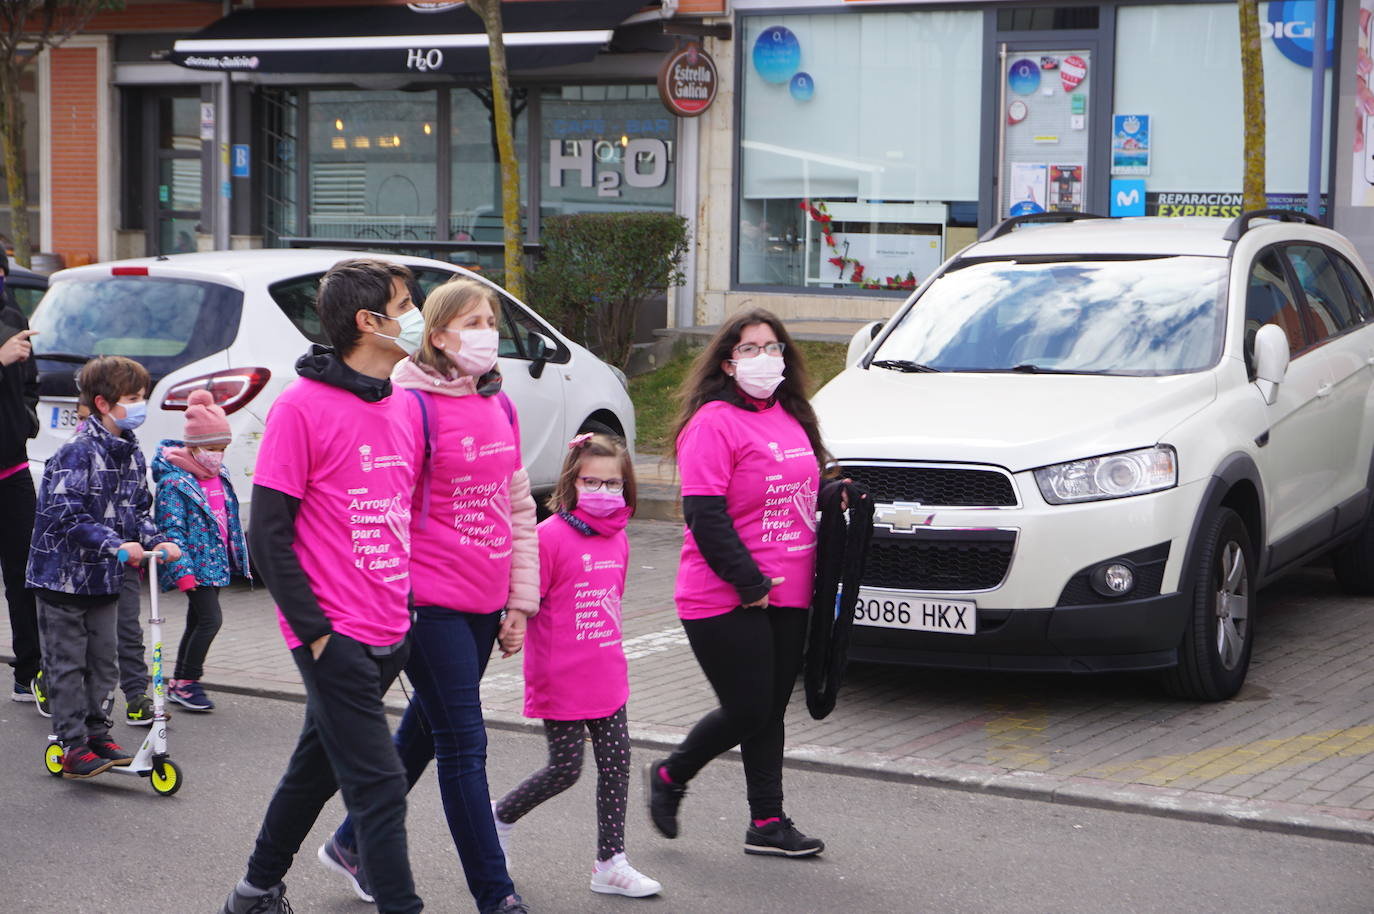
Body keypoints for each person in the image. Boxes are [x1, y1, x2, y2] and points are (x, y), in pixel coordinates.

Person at [319, 278, 536, 914]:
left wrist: (520, 600)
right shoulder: (407, 406)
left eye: (491, 320)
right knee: (465, 745)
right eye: (472, 322)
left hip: (486, 598)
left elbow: (517, 506)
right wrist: (387, 598)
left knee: (430, 726)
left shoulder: (500, 403)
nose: (486, 333)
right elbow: (380, 509)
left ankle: (351, 841)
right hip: (428, 602)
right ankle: (496, 896)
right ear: (437, 335)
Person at [221, 258, 424, 914]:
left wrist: (410, 608)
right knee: (381, 787)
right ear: (370, 322)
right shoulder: (300, 409)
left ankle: (253, 892)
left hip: (392, 629)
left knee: (316, 770)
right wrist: (316, 636)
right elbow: (268, 537)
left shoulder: (403, 404)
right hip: (334, 637)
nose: (417, 314)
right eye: (406, 302)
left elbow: (396, 518)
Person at [645, 308, 831, 858]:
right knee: (748, 706)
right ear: (727, 362)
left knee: (770, 710)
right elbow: (705, 516)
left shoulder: (794, 416)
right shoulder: (713, 422)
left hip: (792, 590)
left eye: (772, 347)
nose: (763, 358)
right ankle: (670, 775)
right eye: (749, 349)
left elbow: (800, 491)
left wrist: (839, 494)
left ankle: (767, 822)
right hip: (725, 594)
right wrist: (749, 583)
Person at [493, 433, 662, 899]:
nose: (604, 491)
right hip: (561, 675)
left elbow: (613, 599)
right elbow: (527, 599)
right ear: (573, 480)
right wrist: (514, 628)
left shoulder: (619, 539)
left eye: (613, 483)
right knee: (565, 769)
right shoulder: (549, 538)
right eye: (593, 481)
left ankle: (611, 862)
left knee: (618, 763)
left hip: (607, 671)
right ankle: (499, 817)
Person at [25, 355, 182, 778]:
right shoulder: (77, 453)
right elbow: (66, 513)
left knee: (104, 661)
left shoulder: (131, 453)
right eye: (132, 398)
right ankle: (71, 741)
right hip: (62, 577)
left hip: (105, 579)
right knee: (67, 660)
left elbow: (139, 511)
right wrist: (116, 544)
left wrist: (157, 540)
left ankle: (97, 731)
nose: (140, 405)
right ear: (103, 403)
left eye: (142, 397)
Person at [152, 388, 249, 712]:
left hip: (215, 564)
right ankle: (189, 681)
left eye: (222, 448)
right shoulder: (175, 483)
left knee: (199, 620)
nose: (217, 454)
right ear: (192, 446)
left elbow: (228, 523)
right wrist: (183, 572)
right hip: (193, 565)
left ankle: (181, 681)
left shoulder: (219, 475)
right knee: (210, 620)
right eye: (211, 448)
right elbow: (171, 530)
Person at [0, 248, 40, 703]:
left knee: (25, 575)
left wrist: (25, 419)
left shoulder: (12, 314)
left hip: (11, 469)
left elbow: (30, 380)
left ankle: (30, 671)